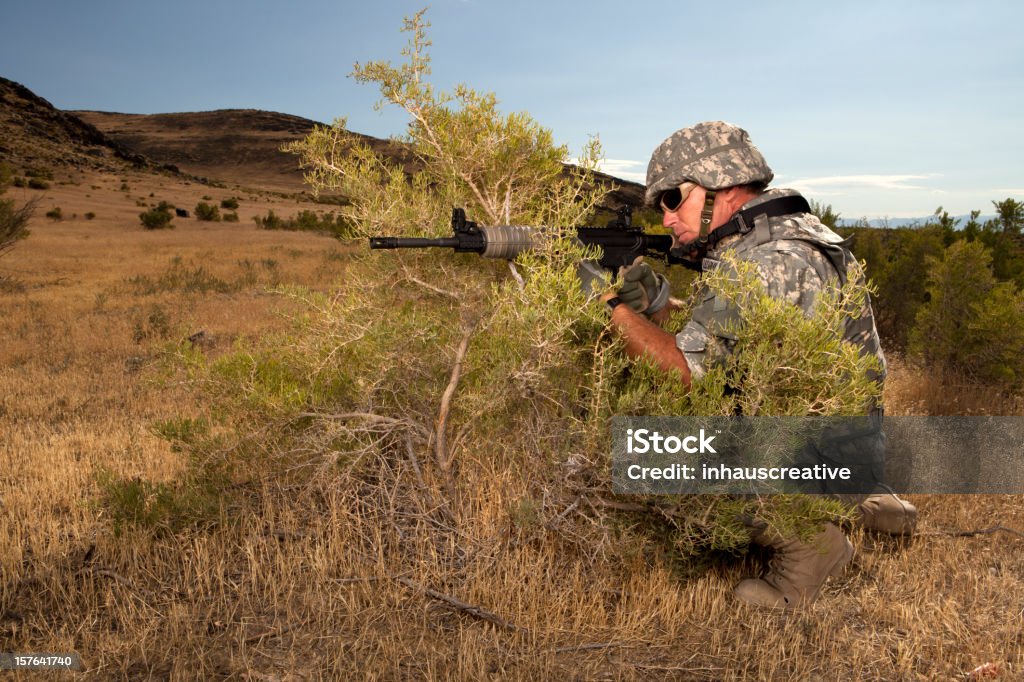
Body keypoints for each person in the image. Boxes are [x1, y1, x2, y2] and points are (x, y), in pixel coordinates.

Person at [603, 121, 917, 609]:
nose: (666, 219)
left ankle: (814, 547)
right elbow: (738, 341)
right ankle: (864, 498)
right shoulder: (778, 237)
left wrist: (613, 311)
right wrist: (659, 309)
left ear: (722, 186)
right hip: (843, 445)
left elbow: (687, 379)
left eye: (672, 198)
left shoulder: (769, 261)